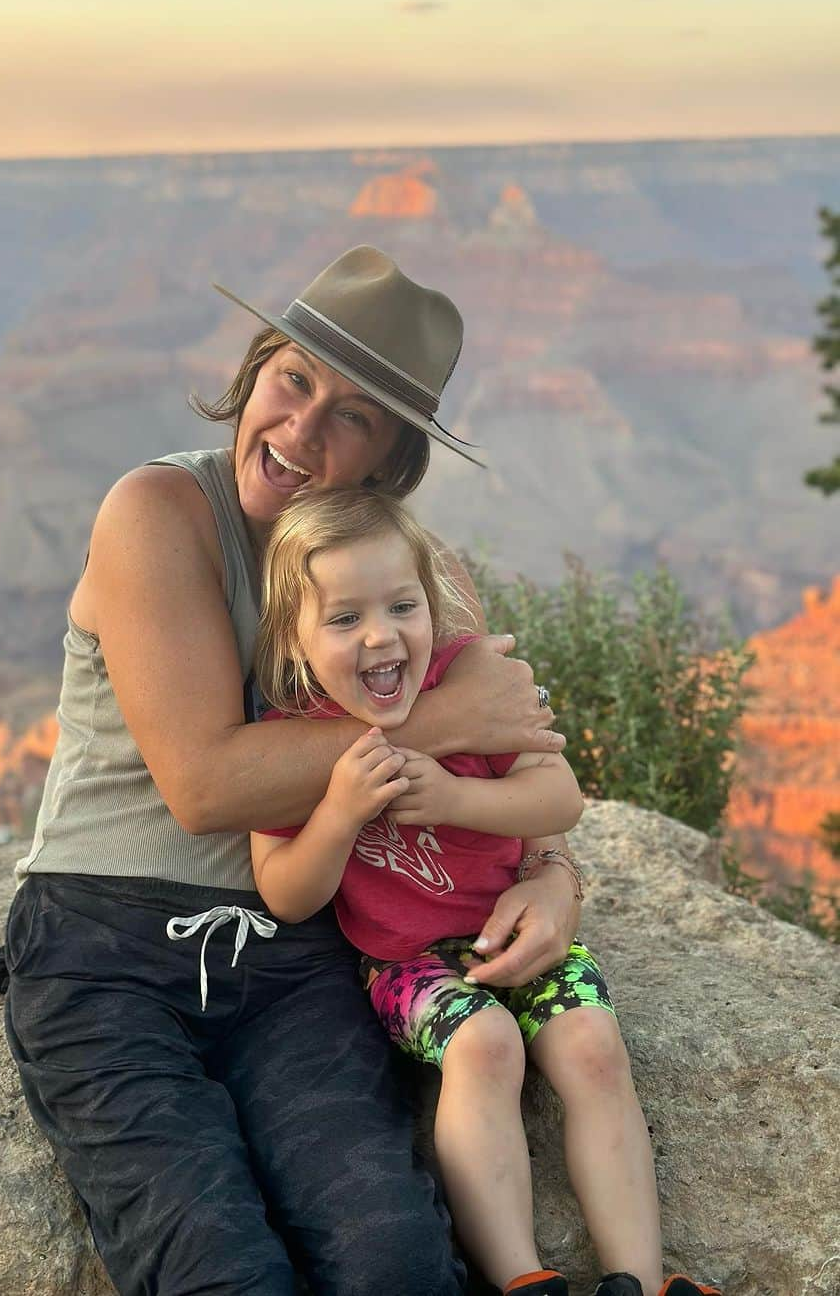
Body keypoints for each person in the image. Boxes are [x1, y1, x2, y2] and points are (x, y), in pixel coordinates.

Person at [0, 245, 584, 1296]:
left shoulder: (415, 575)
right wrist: (442, 719)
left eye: (352, 415)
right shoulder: (160, 512)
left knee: (395, 1262)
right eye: (293, 379)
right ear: (256, 367)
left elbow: (513, 767)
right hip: (104, 947)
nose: (301, 431)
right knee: (218, 1268)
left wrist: (551, 876)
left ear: (391, 459)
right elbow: (206, 786)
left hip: (299, 953)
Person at [250, 486, 721, 1296]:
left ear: (434, 607)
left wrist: (457, 799)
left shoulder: (471, 682)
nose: (380, 635)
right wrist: (336, 813)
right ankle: (520, 1279)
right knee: (486, 1048)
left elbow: (558, 796)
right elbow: (286, 893)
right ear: (292, 639)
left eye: (403, 605)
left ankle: (637, 1281)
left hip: (520, 930)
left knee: (594, 1050)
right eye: (343, 618)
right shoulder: (288, 739)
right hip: (403, 961)